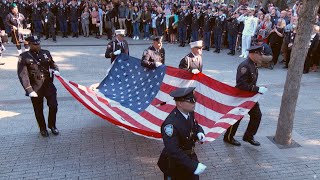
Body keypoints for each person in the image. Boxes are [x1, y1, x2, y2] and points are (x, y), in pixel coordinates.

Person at [157, 87, 207, 180]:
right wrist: (193, 166)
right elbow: (173, 150)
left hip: (189, 157)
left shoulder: (189, 112)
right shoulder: (170, 125)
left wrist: (199, 132)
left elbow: (195, 125)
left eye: (194, 99)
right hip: (175, 164)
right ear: (180, 103)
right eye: (191, 100)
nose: (194, 102)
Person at [223, 45, 268, 146]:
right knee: (237, 117)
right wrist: (257, 89)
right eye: (259, 54)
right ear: (253, 54)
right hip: (241, 97)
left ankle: (248, 136)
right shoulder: (245, 66)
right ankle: (228, 137)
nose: (261, 56)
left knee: (257, 115)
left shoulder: (253, 64)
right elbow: (241, 85)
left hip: (250, 97)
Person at [17, 36, 60, 137]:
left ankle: (52, 125)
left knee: (53, 106)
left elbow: (52, 63)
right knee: (38, 110)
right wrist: (29, 90)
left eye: (38, 44)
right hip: (35, 87)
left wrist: (56, 69)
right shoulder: (24, 56)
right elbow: (23, 74)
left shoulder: (46, 52)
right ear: (30, 45)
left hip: (48, 84)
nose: (37, 46)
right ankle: (42, 128)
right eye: (35, 44)